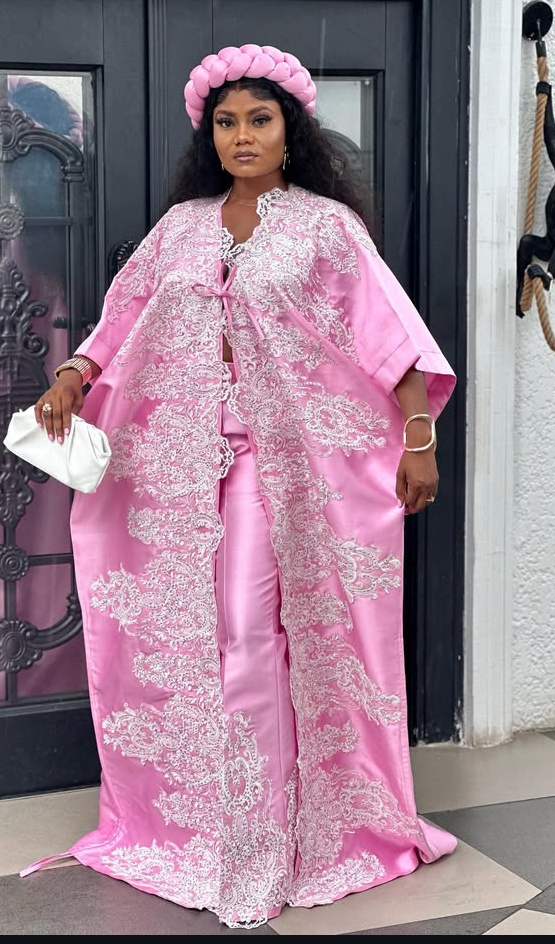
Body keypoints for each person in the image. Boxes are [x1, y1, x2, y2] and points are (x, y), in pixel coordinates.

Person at [24, 44, 457, 929]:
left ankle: (260, 851)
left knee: (247, 630)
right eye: (226, 123)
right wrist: (72, 374)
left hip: (279, 464)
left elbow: (390, 335)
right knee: (184, 637)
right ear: (210, 137)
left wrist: (417, 438)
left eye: (259, 120)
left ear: (290, 131)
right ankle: (196, 827)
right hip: (173, 466)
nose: (242, 136)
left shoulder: (326, 228)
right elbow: (120, 317)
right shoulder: (181, 228)